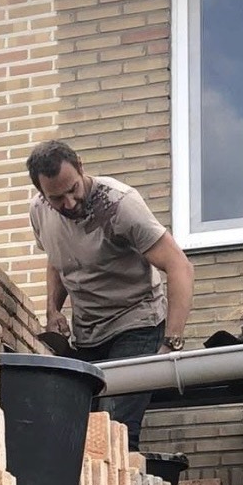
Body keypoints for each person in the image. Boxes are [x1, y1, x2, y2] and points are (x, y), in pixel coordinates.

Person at [25, 140, 194, 449]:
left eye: (73, 189)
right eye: (57, 198)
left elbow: (179, 265)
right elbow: (56, 259)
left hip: (137, 324)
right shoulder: (39, 212)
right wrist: (53, 310)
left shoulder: (120, 204)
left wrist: (171, 342)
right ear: (41, 193)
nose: (69, 203)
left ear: (81, 166)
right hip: (88, 335)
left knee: (115, 431)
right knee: (81, 432)